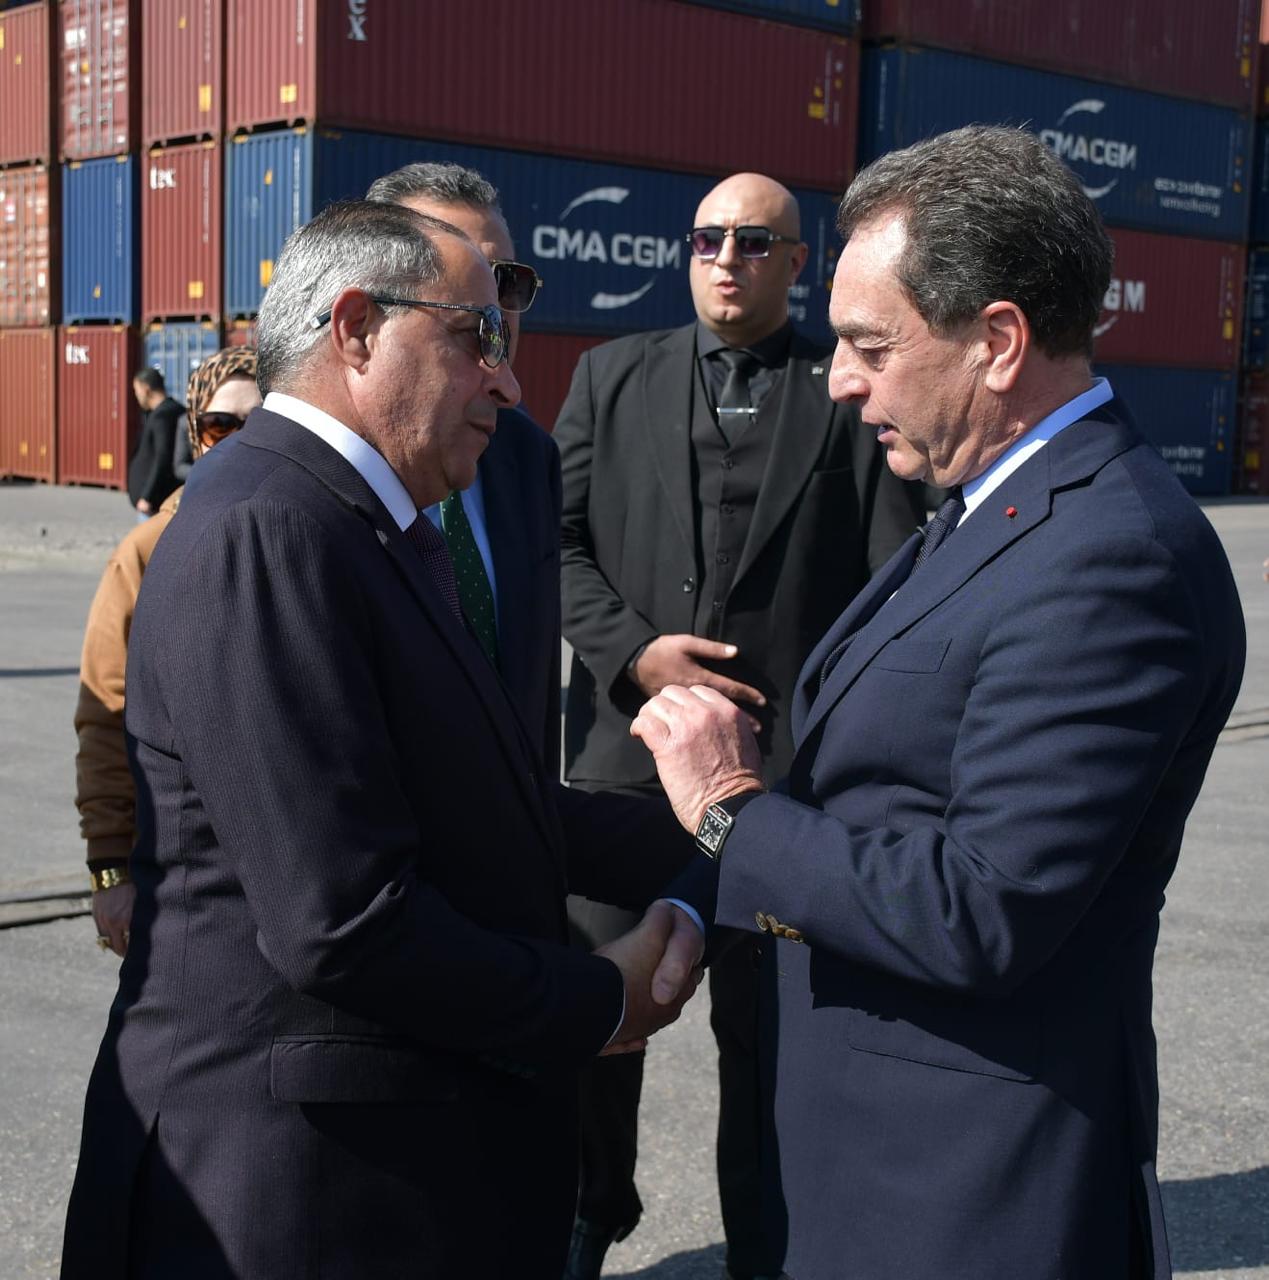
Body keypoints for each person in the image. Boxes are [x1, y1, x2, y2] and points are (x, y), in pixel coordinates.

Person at [630, 125, 1247, 1280]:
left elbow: (982, 907)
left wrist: (728, 810)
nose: (839, 376)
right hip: (870, 1162)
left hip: (965, 1194)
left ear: (998, 342)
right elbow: (868, 796)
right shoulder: (989, 503)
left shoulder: (1111, 558)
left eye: (871, 344)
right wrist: (700, 893)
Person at [60, 200, 704, 1280]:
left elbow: (483, 806)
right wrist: (601, 1001)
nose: (507, 382)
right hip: (289, 1197)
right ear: (355, 328)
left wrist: (728, 833)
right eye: (475, 337)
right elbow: (342, 923)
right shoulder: (269, 528)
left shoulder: (359, 525)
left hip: (371, 1175)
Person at [553, 171, 925, 1279]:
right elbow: (554, 545)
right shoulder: (609, 376)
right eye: (707, 238)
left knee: (767, 1050)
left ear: (797, 264)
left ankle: (764, 1255)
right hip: (623, 771)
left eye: (753, 241)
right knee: (594, 1022)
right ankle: (586, 1217)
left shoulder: (846, 389)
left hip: (781, 784)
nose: (726, 258)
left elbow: (894, 576)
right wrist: (634, 653)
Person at [365, 161, 559, 767]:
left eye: (505, 281)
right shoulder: (319, 475)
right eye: (461, 279)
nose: (492, 307)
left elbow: (535, 692)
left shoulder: (529, 456)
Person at [75, 347, 260, 957]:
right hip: (176, 876)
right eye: (221, 426)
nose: (240, 443)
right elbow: (104, 713)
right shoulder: (145, 554)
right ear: (196, 433)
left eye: (261, 424)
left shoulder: (318, 539)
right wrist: (109, 868)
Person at [127, 368, 184, 519]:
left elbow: (163, 457)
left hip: (155, 504)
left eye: (136, 390)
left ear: (146, 389)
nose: (136, 395)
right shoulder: (176, 410)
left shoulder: (162, 416)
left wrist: (148, 496)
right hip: (162, 499)